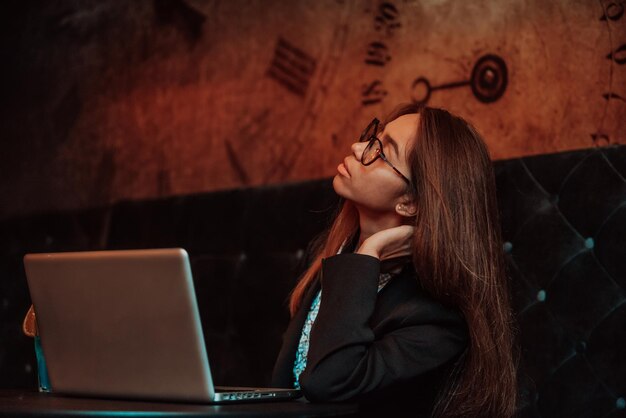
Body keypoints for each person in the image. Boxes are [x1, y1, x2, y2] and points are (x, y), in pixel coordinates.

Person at [271, 103, 519, 418]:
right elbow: (283, 390)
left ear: (410, 202)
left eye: (382, 152)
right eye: (373, 138)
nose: (358, 148)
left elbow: (328, 382)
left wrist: (370, 253)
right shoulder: (336, 258)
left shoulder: (436, 321)